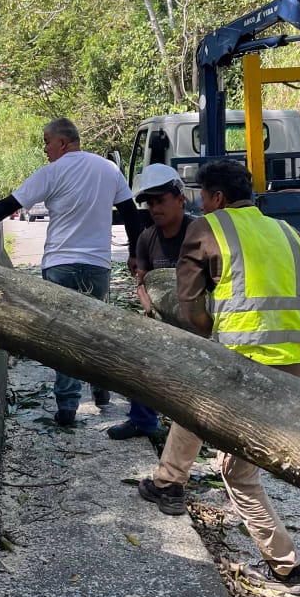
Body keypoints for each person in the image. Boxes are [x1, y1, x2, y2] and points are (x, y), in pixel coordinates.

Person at [137, 157, 300, 596]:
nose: (201, 204)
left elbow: (191, 307)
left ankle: (287, 569)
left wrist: (217, 330)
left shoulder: (206, 229)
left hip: (242, 361)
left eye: (203, 197)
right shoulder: (289, 232)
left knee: (237, 470)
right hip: (293, 362)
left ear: (217, 197)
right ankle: (168, 481)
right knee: (197, 403)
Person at [0, 118, 141, 427]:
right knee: (96, 330)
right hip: (98, 266)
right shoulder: (109, 169)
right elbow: (131, 214)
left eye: (47, 142)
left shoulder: (52, 172)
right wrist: (135, 254)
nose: (45, 149)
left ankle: (68, 406)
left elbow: (5, 206)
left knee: (65, 336)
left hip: (60, 265)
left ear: (63, 143)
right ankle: (101, 391)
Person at [107, 163, 191, 440]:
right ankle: (142, 421)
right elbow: (142, 283)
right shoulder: (146, 238)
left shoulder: (199, 233)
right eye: (150, 203)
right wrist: (151, 311)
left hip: (199, 321)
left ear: (180, 199)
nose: (155, 208)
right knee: (140, 357)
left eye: (161, 201)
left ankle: (193, 428)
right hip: (161, 319)